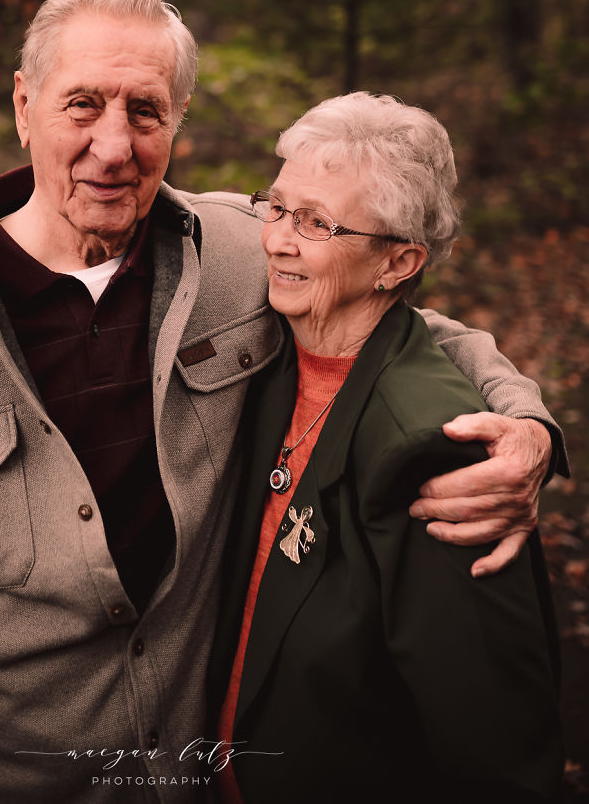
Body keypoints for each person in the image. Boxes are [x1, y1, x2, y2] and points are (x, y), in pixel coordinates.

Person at [0, 0, 565, 804]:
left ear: (177, 121)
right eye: (82, 104)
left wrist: (527, 427)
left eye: (145, 110)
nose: (115, 146)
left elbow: (395, 321)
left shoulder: (243, 250)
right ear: (24, 105)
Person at [207, 93, 563, 804]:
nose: (278, 240)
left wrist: (534, 427)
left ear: (398, 263)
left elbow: (493, 745)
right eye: (275, 208)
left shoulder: (440, 454)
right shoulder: (273, 357)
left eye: (316, 222)